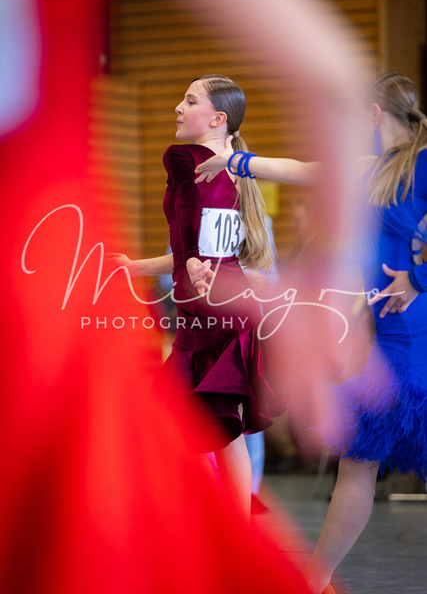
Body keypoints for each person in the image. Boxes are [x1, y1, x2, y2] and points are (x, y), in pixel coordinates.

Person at [196, 71, 427, 593]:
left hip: (417, 332)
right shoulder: (372, 168)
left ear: (373, 115)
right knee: (358, 463)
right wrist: (233, 161)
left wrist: (417, 277)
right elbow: (301, 171)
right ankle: (314, 580)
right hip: (390, 336)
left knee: (361, 462)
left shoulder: (423, 164)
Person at [111, 74, 285, 519]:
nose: (178, 107)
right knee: (220, 436)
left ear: (217, 118)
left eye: (189, 101)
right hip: (228, 311)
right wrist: (138, 267)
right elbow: (204, 251)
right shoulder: (238, 168)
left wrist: (189, 260)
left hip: (209, 315)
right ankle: (224, 532)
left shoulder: (182, 156)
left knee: (176, 424)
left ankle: (194, 527)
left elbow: (189, 216)